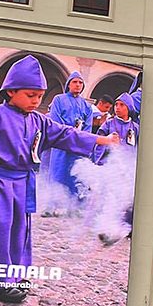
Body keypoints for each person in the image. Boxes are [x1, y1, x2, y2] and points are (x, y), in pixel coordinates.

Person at [0, 55, 119, 303]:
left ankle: (13, 274)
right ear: (11, 91)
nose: (35, 101)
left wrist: (99, 139)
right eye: (30, 95)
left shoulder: (39, 120)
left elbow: (65, 134)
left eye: (39, 96)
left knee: (19, 231)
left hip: (22, 184)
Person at [45, 70, 93, 206]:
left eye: (80, 83)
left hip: (77, 145)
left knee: (76, 175)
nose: (77, 85)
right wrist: (67, 134)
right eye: (74, 82)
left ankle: (75, 206)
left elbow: (87, 127)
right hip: (61, 142)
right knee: (57, 173)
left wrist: (80, 139)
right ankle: (53, 205)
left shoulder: (86, 106)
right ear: (68, 84)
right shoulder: (59, 99)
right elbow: (56, 120)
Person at [93, 93, 139, 164]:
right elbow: (98, 143)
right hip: (108, 164)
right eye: (116, 104)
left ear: (128, 107)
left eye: (121, 105)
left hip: (128, 165)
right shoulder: (108, 123)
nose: (117, 107)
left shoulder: (135, 127)